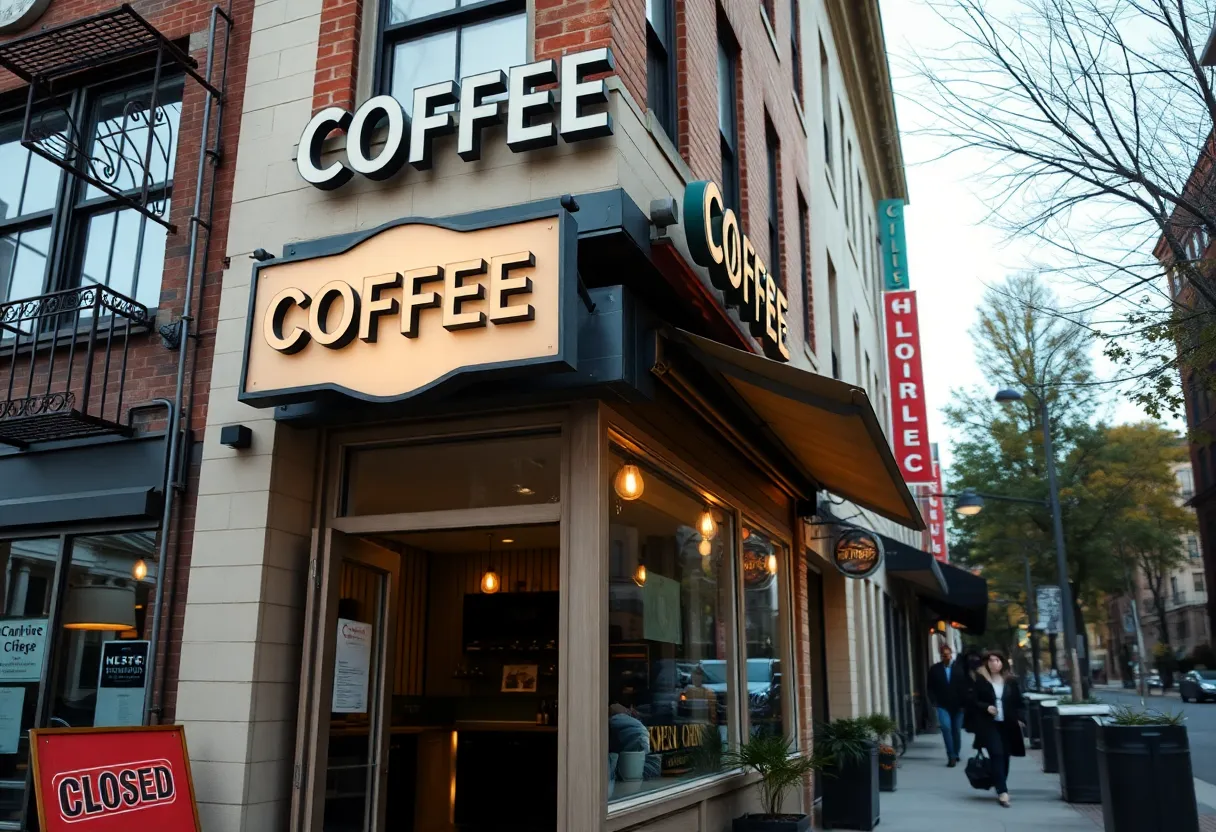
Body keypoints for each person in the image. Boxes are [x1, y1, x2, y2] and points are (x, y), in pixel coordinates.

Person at [967, 650, 1026, 808]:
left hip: (1007, 724)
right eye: (991, 661)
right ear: (986, 663)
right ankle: (1002, 792)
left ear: (1002, 663)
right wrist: (987, 707)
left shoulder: (1010, 681)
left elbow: (1018, 702)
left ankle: (1000, 783)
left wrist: (1020, 718)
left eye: (997, 660)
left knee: (1005, 756)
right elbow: (973, 701)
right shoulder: (980, 681)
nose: (994, 663)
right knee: (997, 753)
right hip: (989, 724)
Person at [927, 643, 966, 766]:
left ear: (951, 655)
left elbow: (967, 686)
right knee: (946, 728)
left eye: (948, 655)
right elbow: (930, 687)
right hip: (942, 704)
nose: (947, 657)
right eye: (944, 655)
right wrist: (934, 700)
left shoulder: (959, 668)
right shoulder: (935, 669)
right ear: (941, 656)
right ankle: (951, 756)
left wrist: (965, 703)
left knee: (956, 730)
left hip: (959, 706)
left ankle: (956, 752)